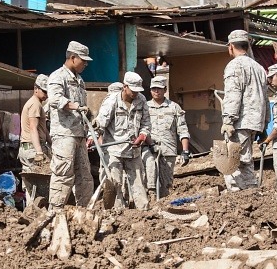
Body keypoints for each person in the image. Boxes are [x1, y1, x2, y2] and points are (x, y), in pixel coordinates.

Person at [220, 30, 269, 191]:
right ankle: (251, 192)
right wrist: (265, 124)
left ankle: (238, 195)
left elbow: (233, 95)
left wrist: (228, 120)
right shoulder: (259, 67)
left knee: (231, 162)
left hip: (240, 121)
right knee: (246, 160)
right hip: (255, 122)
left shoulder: (235, 66)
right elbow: (265, 98)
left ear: (231, 46)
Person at [47, 41, 94, 209]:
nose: (86, 64)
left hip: (79, 134)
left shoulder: (79, 80)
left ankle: (85, 211)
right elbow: (54, 99)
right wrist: (75, 106)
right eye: (84, 60)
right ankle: (55, 212)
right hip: (64, 134)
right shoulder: (57, 76)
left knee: (84, 176)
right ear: (73, 58)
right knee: (63, 174)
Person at [95, 71, 151, 210]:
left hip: (134, 151)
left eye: (138, 91)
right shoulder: (112, 101)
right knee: (115, 185)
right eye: (133, 90)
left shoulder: (141, 100)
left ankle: (144, 214)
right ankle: (117, 214)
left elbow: (146, 124)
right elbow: (100, 124)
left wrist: (142, 136)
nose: (136, 94)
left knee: (139, 183)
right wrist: (93, 137)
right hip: (115, 151)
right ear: (125, 87)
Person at [143, 75, 191, 201]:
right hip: (149, 149)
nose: (156, 91)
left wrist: (185, 151)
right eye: (153, 89)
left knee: (166, 185)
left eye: (159, 89)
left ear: (165, 90)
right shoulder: (145, 107)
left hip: (168, 151)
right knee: (149, 182)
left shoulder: (174, 107)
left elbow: (183, 130)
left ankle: (164, 208)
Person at [18, 74, 52, 195]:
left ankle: (31, 210)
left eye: (47, 92)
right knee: (42, 185)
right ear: (35, 88)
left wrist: (52, 143)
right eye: (44, 91)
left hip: (27, 148)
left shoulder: (34, 104)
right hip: (33, 149)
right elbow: (33, 128)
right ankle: (37, 210)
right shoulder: (35, 104)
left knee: (31, 186)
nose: (46, 94)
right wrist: (39, 152)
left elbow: (42, 129)